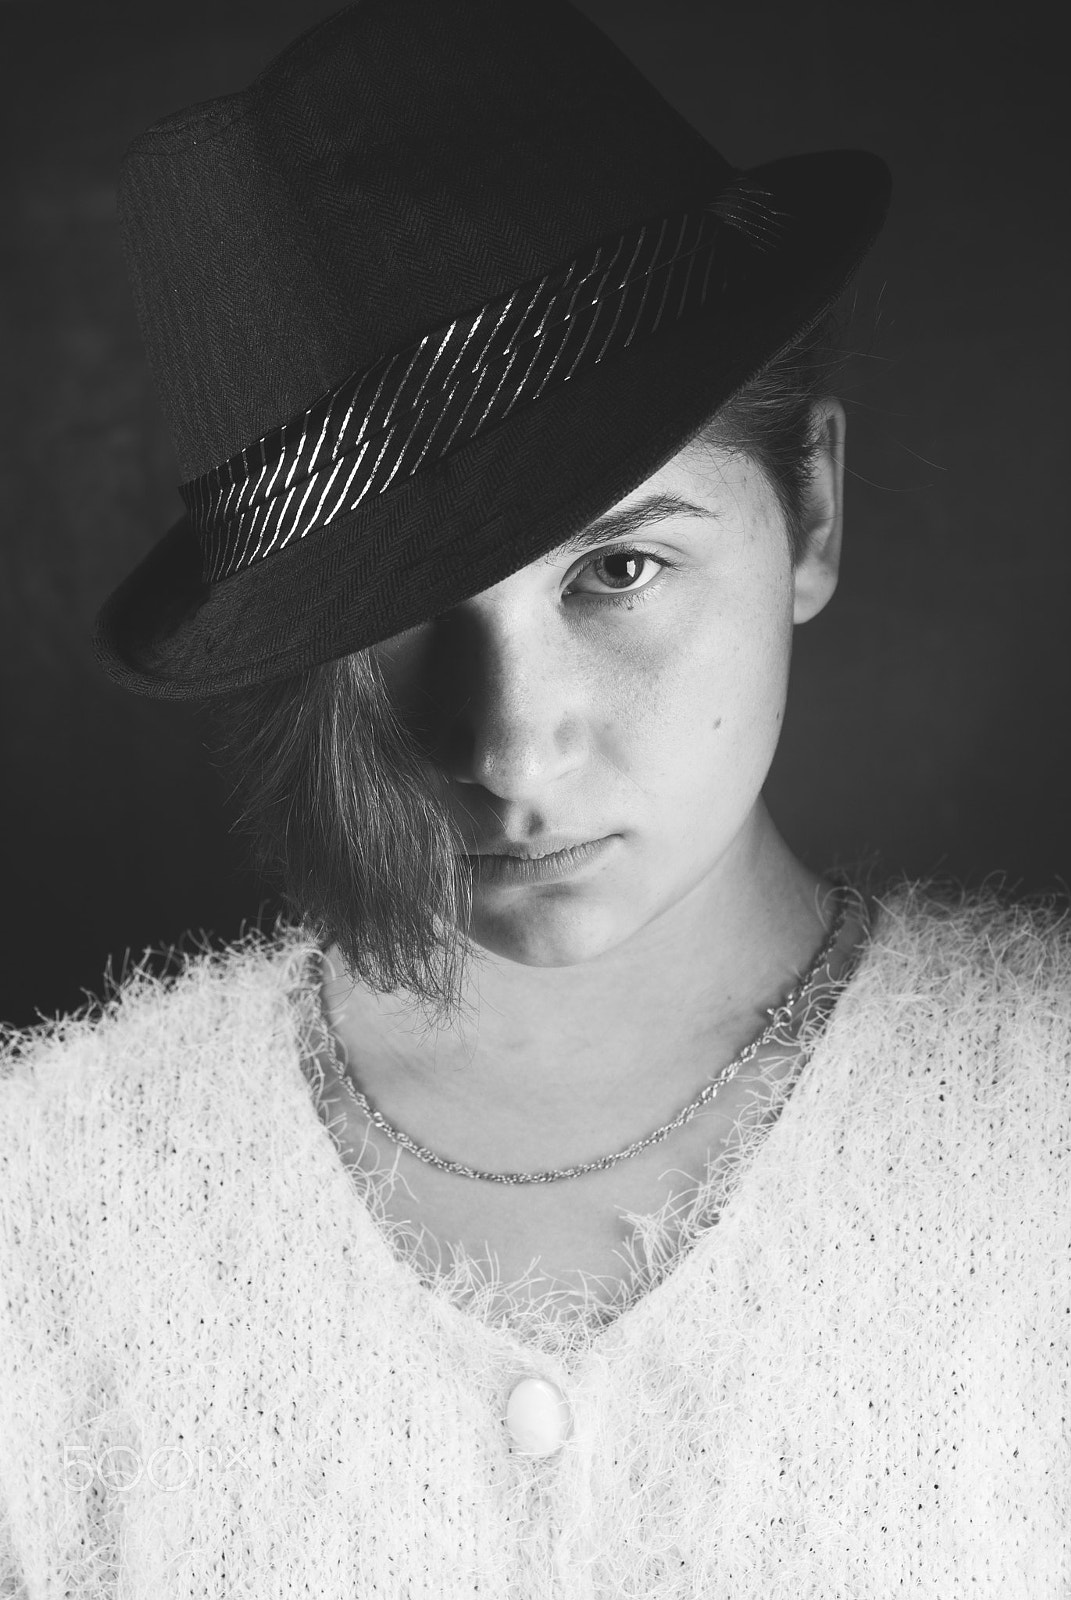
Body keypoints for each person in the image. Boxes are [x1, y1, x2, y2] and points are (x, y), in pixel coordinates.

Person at [1, 1, 1068, 1594]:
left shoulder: (1039, 1147)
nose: (509, 748)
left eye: (620, 568)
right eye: (399, 612)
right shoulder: (50, 1204)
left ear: (813, 511)